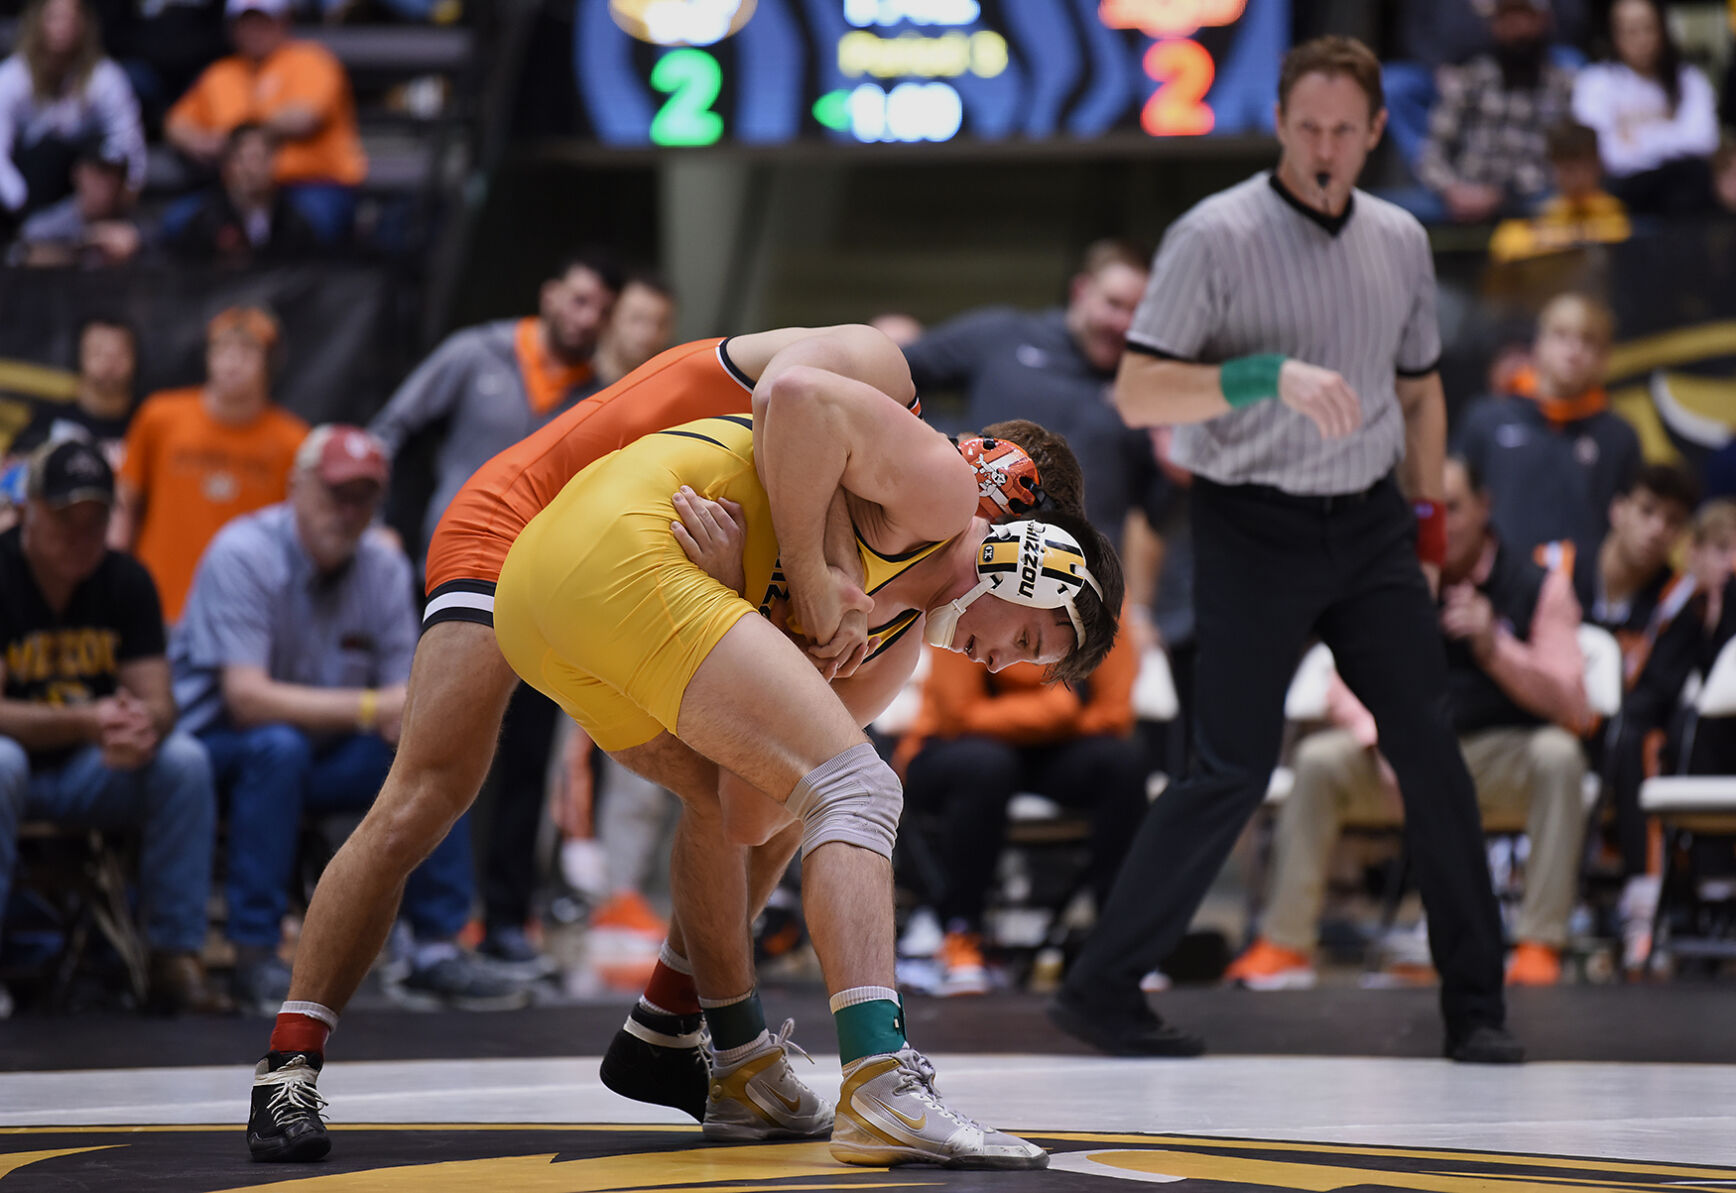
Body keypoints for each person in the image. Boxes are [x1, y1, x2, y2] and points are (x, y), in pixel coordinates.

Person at [243, 330, 913, 1163]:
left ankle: (674, 1027)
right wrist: (820, 574)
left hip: (613, 552)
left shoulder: (868, 481)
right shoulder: (869, 371)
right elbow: (783, 397)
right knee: (425, 796)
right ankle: (288, 1065)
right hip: (522, 520)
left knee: (751, 782)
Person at [490, 327, 1119, 1168]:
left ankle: (730, 1050)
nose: (1003, 662)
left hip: (543, 615)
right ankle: (881, 1078)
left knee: (744, 799)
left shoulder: (892, 646)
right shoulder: (933, 491)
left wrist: (769, 608)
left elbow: (752, 805)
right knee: (865, 789)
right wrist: (812, 574)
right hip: (614, 539)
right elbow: (791, 395)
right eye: (1031, 641)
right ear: (1030, 564)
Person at [1047, 35, 1523, 1065]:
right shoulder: (1209, 236)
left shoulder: (1399, 238)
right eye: (1304, 126)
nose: (1321, 146)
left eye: (1341, 130)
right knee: (1226, 765)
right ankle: (1099, 983)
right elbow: (1139, 391)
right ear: (1277, 123)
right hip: (1248, 520)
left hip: (1366, 524)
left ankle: (1474, 1004)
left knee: (1429, 753)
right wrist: (1261, 376)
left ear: (1373, 132)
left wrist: (1427, 525)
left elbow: (1419, 390)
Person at [170, 425, 508, 1012]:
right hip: (221, 750)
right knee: (276, 747)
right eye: (335, 494)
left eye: (363, 498)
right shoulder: (242, 552)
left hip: (324, 750)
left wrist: (411, 715)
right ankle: (255, 955)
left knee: (442, 746)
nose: (348, 513)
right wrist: (376, 708)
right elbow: (247, 698)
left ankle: (436, 949)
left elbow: (412, 692)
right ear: (296, 487)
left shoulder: (380, 563)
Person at [1228, 457, 1591, 989]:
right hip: (1402, 760)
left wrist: (1498, 650)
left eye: (1455, 507)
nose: (1439, 519)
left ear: (1486, 507)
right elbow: (1341, 681)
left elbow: (1574, 704)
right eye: (1425, 507)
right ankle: (1284, 944)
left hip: (1491, 760)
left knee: (1559, 757)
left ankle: (1538, 945)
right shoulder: (1390, 575)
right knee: (1318, 760)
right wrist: (1386, 742)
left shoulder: (1538, 587)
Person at [367, 251, 618, 972]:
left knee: (528, 759)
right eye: (577, 300)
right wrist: (383, 521)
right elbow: (392, 427)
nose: (585, 318)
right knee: (438, 749)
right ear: (548, 293)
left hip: (543, 592)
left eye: (598, 309)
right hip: (456, 579)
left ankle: (506, 922)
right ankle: (420, 927)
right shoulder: (474, 351)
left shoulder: (598, 393)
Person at [0, 440, 225, 1016]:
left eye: (96, 519)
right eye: (66, 518)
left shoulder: (126, 580)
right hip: (18, 767)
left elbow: (161, 702)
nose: (82, 534)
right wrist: (88, 720)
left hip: (90, 769)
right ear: (28, 508)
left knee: (183, 761)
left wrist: (140, 727)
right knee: (3, 761)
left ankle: (174, 960)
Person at [896, 603, 1145, 996]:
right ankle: (961, 932)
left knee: (1121, 764)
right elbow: (956, 713)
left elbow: (1114, 713)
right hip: (952, 748)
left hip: (1052, 747)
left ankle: (1120, 942)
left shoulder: (1104, 598)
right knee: (987, 767)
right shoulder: (974, 590)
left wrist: (1044, 720)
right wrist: (1055, 709)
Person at [900, 239, 1165, 562]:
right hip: (967, 557)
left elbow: (1158, 514)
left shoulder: (1149, 393)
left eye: (1138, 313)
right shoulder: (1003, 336)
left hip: (1075, 579)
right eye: (1114, 304)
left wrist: (1176, 473)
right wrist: (943, 442)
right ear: (1081, 291)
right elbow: (896, 372)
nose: (1123, 323)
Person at [1602, 499, 1736, 971]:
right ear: (1694, 553)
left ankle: (1714, 893)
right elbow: (1654, 691)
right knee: (1639, 735)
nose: (1732, 562)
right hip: (1676, 748)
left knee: (1694, 729)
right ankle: (1646, 898)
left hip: (1722, 748)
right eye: (1721, 549)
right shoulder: (1679, 606)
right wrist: (1704, 614)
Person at [113, 306, 307, 623]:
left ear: (268, 364)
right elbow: (125, 503)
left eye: (246, 351)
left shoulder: (294, 441)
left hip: (249, 612)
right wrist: (115, 575)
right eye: (222, 349)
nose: (232, 361)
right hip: (159, 605)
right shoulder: (160, 416)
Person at [1455, 293, 1641, 563]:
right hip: (1498, 588)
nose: (1574, 350)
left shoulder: (1618, 436)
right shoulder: (1487, 418)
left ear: (1604, 358)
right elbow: (1456, 508)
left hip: (1581, 593)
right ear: (1538, 344)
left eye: (1588, 340)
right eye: (1562, 335)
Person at [165, 0, 367, 244]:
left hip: (309, 184)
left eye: (263, 21)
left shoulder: (311, 60)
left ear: (284, 21)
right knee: (179, 221)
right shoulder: (221, 74)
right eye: (246, 23)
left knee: (306, 224)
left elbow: (305, 117)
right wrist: (201, 141)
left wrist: (236, 137)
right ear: (232, 28)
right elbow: (176, 123)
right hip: (235, 190)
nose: (255, 30)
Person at [1412, 0, 1577, 225]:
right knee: (1396, 211)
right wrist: (1452, 189)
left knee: (1560, 206)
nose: (1516, 27)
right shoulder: (1471, 80)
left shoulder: (1563, 86)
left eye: (1524, 16)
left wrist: (1502, 194)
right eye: (1506, 17)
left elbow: (1564, 164)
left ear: (1544, 21)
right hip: (1461, 196)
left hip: (1527, 200)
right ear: (1492, 25)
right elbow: (1431, 152)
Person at [0, 0, 145, 225]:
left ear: (84, 24)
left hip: (84, 196)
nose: (62, 27)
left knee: (95, 157)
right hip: (26, 191)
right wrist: (21, 203)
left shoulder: (105, 77)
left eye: (70, 18)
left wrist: (126, 189)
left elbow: (127, 142)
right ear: (37, 22)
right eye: (54, 17)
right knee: (47, 152)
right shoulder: (11, 77)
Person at [1571, 0, 1719, 217]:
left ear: (1662, 30)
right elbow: (1605, 153)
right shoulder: (1595, 82)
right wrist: (1673, 134)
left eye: (1648, 28)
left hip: (1683, 186)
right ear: (1614, 34)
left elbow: (1704, 140)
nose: (1641, 40)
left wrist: (1636, 139)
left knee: (1694, 177)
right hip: (1625, 192)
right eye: (1630, 31)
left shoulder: (1688, 78)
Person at [162, 122, 321, 264]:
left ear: (274, 163)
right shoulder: (205, 224)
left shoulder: (294, 223)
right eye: (243, 159)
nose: (251, 169)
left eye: (259, 158)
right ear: (228, 165)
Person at [1488, 121, 1632, 264]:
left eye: (1584, 167)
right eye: (1566, 169)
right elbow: (1506, 250)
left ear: (1598, 164)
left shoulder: (1624, 216)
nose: (1576, 179)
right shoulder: (1532, 221)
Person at [6, 315, 137, 469]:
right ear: (79, 357)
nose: (109, 364)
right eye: (98, 353)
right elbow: (10, 473)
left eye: (119, 354)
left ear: (135, 358)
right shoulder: (49, 422)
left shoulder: (149, 421)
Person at [8, 138, 141, 267]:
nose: (107, 184)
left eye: (115, 175)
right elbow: (23, 252)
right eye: (100, 173)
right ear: (78, 173)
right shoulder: (57, 221)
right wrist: (85, 242)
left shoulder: (129, 221)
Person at [594, 269, 678, 386]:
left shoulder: (671, 390)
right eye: (637, 319)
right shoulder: (569, 377)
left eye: (661, 324)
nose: (650, 334)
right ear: (612, 314)